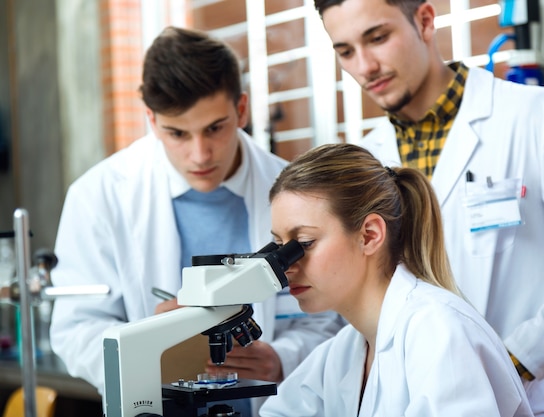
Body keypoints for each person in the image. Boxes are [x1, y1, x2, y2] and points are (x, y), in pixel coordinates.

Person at [312, 0, 544, 415]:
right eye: (346, 51)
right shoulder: (366, 157)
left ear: (425, 20)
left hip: (513, 400)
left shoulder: (536, 117)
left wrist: (517, 359)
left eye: (378, 37)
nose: (365, 66)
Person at [49, 26, 344, 417]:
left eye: (214, 128)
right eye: (177, 133)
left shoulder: (293, 192)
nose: (200, 154)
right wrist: (144, 344)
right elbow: (74, 329)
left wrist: (282, 359)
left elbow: (330, 317)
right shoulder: (99, 196)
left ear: (241, 110)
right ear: (152, 121)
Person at [259, 143, 533, 416]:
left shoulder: (438, 332)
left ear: (369, 235)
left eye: (304, 243)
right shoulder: (343, 351)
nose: (286, 265)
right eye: (279, 245)